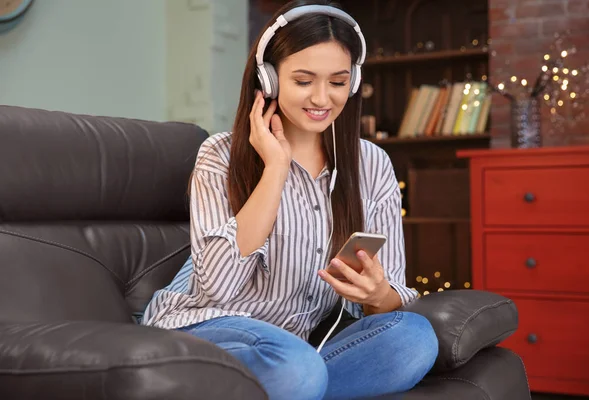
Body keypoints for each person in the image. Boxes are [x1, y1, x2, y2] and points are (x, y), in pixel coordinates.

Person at [141, 1, 438, 399]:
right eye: (303, 80)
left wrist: (377, 296)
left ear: (352, 83)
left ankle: (299, 388)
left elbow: (392, 293)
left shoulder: (372, 165)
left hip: (297, 348)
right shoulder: (220, 155)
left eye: (337, 81)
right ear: (269, 79)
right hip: (207, 327)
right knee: (294, 364)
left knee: (413, 338)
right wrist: (275, 169)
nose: (322, 98)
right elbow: (216, 288)